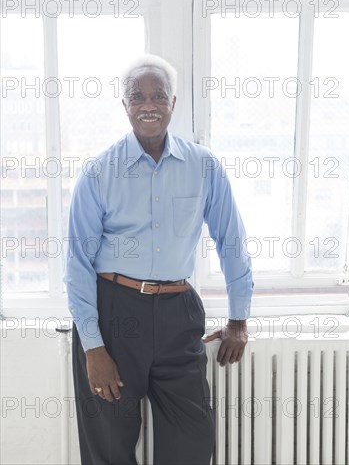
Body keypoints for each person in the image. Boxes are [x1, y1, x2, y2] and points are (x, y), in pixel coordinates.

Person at [64, 54, 254, 465]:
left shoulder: (204, 167)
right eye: (137, 97)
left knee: (192, 443)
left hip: (178, 312)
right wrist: (93, 348)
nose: (148, 105)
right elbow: (77, 263)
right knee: (109, 447)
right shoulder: (99, 172)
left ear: (173, 102)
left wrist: (239, 318)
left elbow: (231, 240)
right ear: (125, 105)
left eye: (158, 96)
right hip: (113, 312)